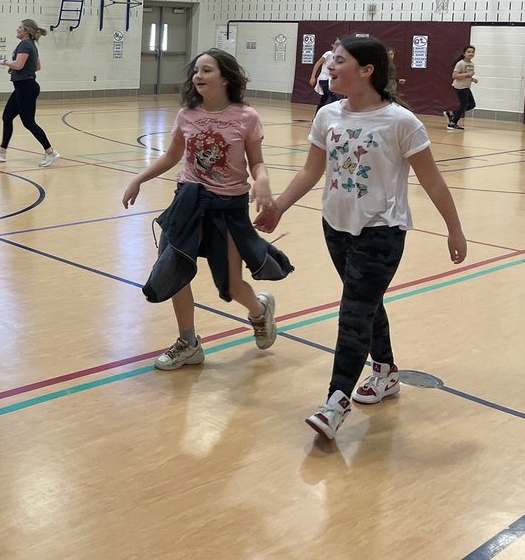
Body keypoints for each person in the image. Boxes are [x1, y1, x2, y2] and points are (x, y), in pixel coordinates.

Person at [254, 35, 466, 441]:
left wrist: (454, 229)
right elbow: (311, 171)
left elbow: (433, 181)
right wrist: (278, 206)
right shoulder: (328, 116)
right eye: (331, 60)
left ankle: (335, 402)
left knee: (353, 312)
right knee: (366, 304)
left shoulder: (402, 122)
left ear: (367, 70)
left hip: (382, 231)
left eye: (339, 61)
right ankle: (385, 371)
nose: (330, 67)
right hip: (335, 225)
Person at [121, 49, 292, 370]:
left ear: (225, 77)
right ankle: (188, 342)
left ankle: (259, 312)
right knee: (176, 270)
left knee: (229, 284)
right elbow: (172, 157)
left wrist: (263, 180)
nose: (198, 76)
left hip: (228, 208)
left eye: (207, 70)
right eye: (196, 71)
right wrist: (139, 178)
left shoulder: (246, 116)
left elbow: (256, 161)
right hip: (187, 201)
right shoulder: (187, 115)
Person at [0, 19, 59, 167]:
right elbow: (37, 66)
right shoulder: (31, 45)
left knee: (29, 122)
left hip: (26, 87)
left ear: (26, 31)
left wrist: (6, 62)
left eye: (19, 28)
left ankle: (51, 152)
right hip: (22, 86)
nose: (17, 30)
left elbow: (19, 64)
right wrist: (16, 68)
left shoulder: (25, 44)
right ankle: (2, 151)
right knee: (7, 117)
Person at [444, 45, 477, 131]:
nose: (471, 53)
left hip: (466, 86)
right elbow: (454, 76)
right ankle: (452, 124)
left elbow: (466, 75)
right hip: (460, 87)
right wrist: (468, 75)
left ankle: (451, 113)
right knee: (463, 106)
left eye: (472, 52)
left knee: (472, 104)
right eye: (469, 52)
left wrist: (472, 79)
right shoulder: (460, 63)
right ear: (464, 53)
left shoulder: (471, 64)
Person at [309, 39, 340, 110]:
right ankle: (334, 115)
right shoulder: (328, 54)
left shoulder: (339, 56)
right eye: (336, 44)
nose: (338, 46)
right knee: (334, 97)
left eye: (340, 44)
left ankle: (316, 117)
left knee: (324, 98)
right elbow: (317, 64)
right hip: (324, 79)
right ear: (332, 45)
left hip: (330, 79)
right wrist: (313, 77)